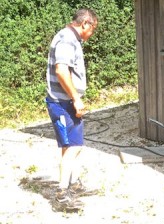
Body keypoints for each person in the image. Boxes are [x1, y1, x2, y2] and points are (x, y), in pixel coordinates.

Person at [45, 8, 98, 209]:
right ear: (85, 23)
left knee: (72, 146)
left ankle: (74, 185)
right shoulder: (67, 39)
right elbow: (61, 70)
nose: (91, 34)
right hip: (62, 102)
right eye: (92, 28)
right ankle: (61, 194)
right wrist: (75, 98)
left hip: (65, 101)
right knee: (73, 147)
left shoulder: (69, 38)